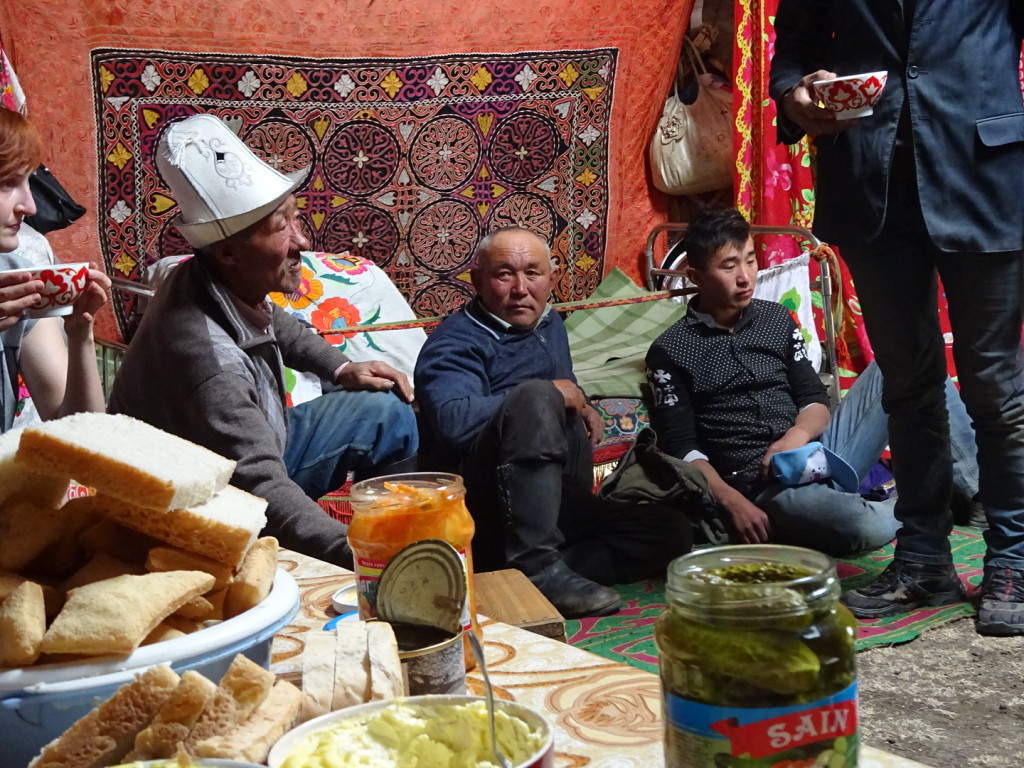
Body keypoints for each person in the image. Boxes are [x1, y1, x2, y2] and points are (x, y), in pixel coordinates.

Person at [769, 2, 1024, 635]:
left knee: (995, 387)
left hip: (984, 174)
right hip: (870, 184)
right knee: (907, 384)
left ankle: (1013, 561)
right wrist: (797, 97)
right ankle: (923, 560)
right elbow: (792, 48)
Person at [107, 114, 418, 568]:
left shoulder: (208, 277)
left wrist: (340, 368)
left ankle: (395, 537)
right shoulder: (209, 361)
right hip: (205, 505)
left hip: (255, 446)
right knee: (323, 535)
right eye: (281, 228)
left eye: (297, 219)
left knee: (387, 409)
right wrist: (361, 555)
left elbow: (279, 324)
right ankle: (389, 565)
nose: (303, 242)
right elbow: (261, 490)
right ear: (229, 251)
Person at [645, 208, 979, 557]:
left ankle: (976, 492)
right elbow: (683, 450)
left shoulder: (775, 319)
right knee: (863, 528)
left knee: (912, 361)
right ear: (696, 276)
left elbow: (814, 402)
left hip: (819, 454)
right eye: (729, 267)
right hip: (762, 486)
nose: (745, 277)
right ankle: (922, 506)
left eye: (750, 261)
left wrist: (795, 437)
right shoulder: (671, 351)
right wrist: (733, 503)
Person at [415, 228, 692, 618]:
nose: (520, 288)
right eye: (504, 274)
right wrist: (549, 393)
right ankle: (538, 567)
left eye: (533, 273)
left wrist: (581, 403)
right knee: (534, 395)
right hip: (488, 506)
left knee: (670, 531)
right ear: (477, 281)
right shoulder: (455, 343)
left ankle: (513, 578)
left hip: (557, 505)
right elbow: (454, 424)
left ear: (552, 279)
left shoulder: (548, 325)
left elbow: (566, 386)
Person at [0, 107, 110, 433]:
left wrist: (80, 335)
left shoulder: (19, 267)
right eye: (7, 183)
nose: (31, 207)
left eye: (27, 181)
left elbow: (80, 434)